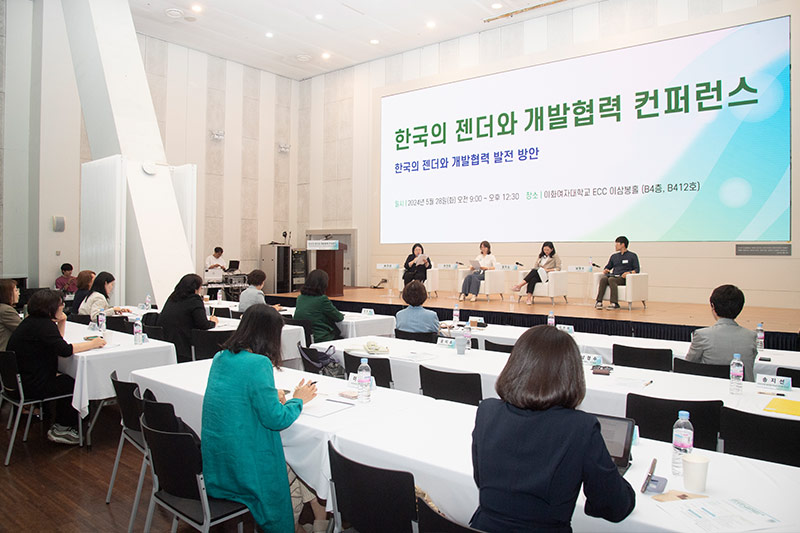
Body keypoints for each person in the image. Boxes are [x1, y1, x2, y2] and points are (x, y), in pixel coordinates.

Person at [470, 325, 635, 531]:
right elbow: (613, 507)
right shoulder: (581, 427)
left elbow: (481, 479)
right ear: (571, 374)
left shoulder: (487, 411)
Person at [202, 305, 328, 533]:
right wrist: (298, 400)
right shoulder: (258, 364)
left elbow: (241, 395)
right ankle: (297, 526)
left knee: (295, 462)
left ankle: (312, 523)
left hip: (219, 462)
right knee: (300, 463)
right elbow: (276, 419)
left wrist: (272, 394)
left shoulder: (221, 357)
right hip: (245, 468)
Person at [7, 290, 106, 445]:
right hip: (32, 385)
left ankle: (61, 424)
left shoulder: (31, 322)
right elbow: (65, 350)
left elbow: (56, 344)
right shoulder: (43, 326)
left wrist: (62, 322)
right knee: (73, 383)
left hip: (19, 383)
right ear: (51, 307)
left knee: (66, 379)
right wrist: (93, 344)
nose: (63, 307)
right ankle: (62, 427)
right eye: (61, 305)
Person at [685, 284, 758, 381]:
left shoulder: (701, 335)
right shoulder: (751, 336)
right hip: (741, 389)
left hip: (708, 389)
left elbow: (688, 365)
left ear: (712, 306)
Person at [158, 273, 219, 363]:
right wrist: (213, 322)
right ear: (195, 288)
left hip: (168, 341)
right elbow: (203, 324)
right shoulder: (195, 300)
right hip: (185, 345)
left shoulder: (172, 298)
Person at [294, 269, 344, 343]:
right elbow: (339, 317)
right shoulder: (322, 299)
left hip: (305, 337)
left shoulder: (300, 298)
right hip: (321, 337)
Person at [595, 236, 640, 310]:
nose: (615, 246)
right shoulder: (614, 256)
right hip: (614, 276)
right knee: (603, 279)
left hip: (623, 278)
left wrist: (629, 273)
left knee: (611, 280)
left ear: (623, 244)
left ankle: (614, 303)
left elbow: (637, 269)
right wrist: (606, 270)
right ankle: (599, 301)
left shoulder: (632, 256)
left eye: (617, 244)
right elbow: (608, 267)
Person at [0, 279, 21, 350]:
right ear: (7, 293)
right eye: (16, 290)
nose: (19, 293)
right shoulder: (6, 310)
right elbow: (24, 330)